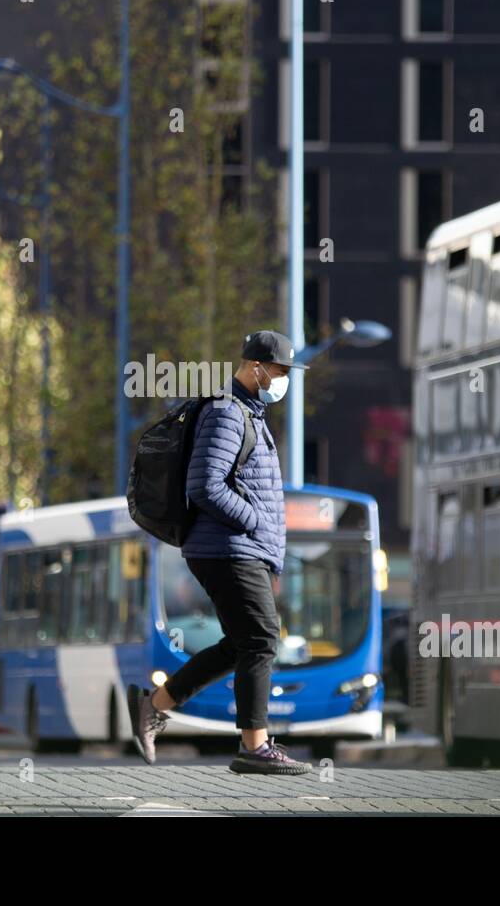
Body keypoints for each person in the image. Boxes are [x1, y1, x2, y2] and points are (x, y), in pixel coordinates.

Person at [127, 330, 312, 775]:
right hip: (227, 547)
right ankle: (254, 746)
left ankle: (154, 705)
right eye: (281, 371)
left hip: (239, 547)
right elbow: (205, 485)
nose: (285, 379)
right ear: (255, 368)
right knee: (262, 638)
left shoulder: (249, 412)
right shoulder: (228, 412)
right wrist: (254, 522)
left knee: (240, 644)